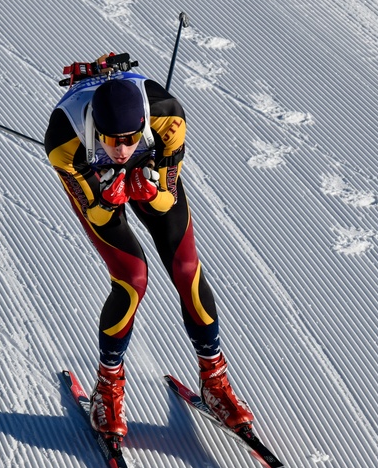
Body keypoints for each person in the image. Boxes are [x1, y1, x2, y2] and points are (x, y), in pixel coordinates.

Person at [44, 60, 253, 438]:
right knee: (132, 278)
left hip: (150, 165)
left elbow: (168, 197)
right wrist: (109, 197)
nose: (122, 150)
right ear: (96, 130)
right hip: (92, 177)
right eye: (111, 139)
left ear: (143, 125)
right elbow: (95, 211)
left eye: (130, 138)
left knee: (186, 267)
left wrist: (152, 189)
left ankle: (215, 379)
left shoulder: (168, 117)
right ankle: (108, 388)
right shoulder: (64, 141)